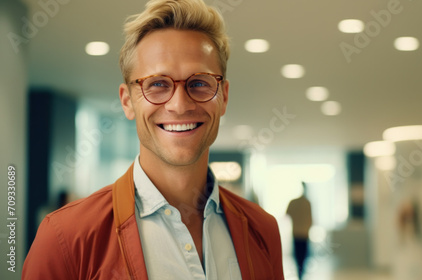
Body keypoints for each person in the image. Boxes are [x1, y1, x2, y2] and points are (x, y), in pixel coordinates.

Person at [21, 0, 284, 279]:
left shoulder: (262, 229)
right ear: (127, 101)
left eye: (199, 83)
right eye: (157, 84)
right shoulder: (65, 237)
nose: (180, 105)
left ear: (224, 96)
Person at [286, 182, 312, 279]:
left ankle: (300, 273)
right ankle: (301, 273)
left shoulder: (294, 202)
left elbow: (287, 214)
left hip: (297, 232)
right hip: (303, 233)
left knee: (298, 255)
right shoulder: (306, 203)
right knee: (303, 255)